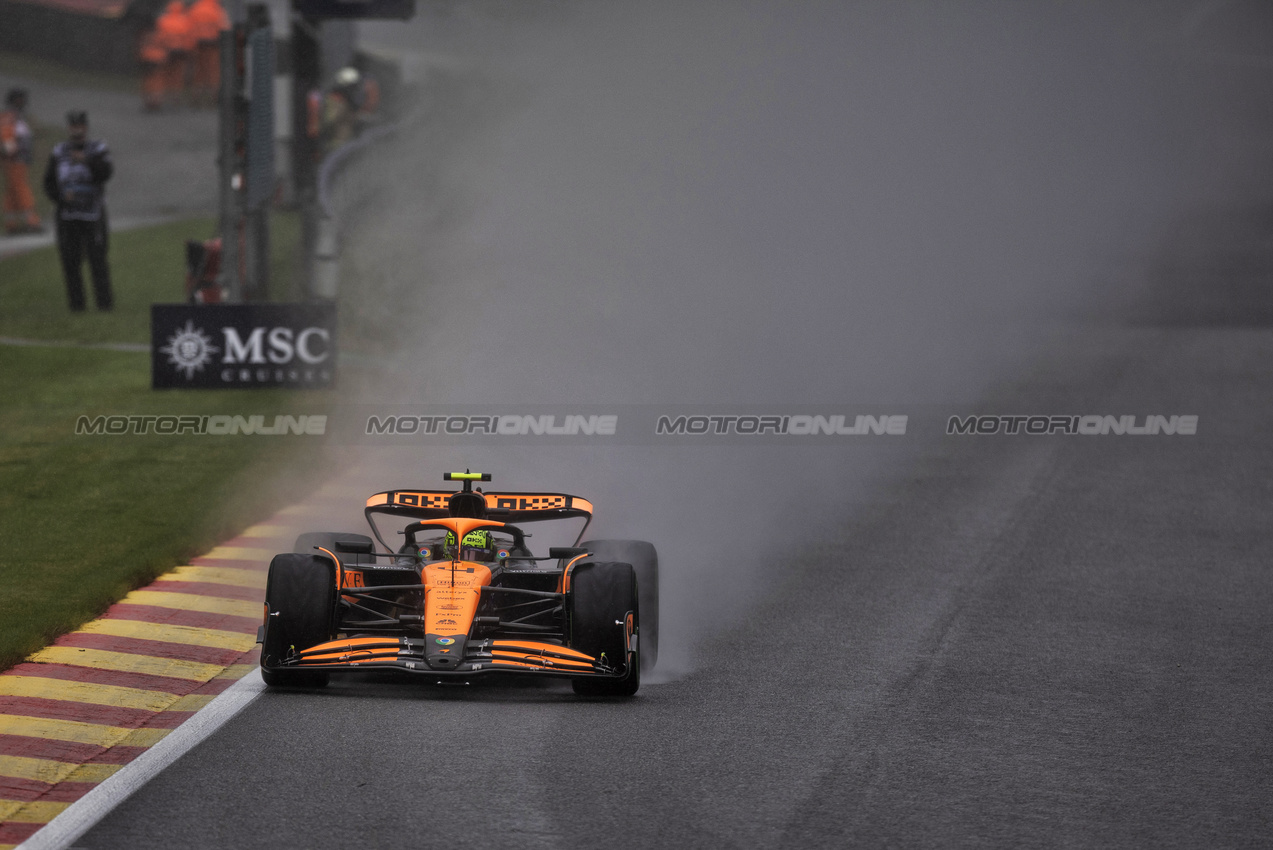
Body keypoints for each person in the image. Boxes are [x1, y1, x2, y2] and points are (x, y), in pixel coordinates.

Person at [43, 112, 113, 312]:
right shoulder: (59, 151)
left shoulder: (98, 149)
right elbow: (48, 182)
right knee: (70, 261)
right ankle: (77, 305)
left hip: (93, 213)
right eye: (73, 127)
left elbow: (106, 173)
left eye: (80, 127)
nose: (77, 131)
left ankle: (104, 304)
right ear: (68, 129)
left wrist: (87, 161)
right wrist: (61, 198)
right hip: (68, 215)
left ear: (86, 128)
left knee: (98, 259)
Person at [1, 89, 41, 234]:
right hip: (15, 160)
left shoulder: (18, 117)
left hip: (18, 159)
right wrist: (11, 152)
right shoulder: (10, 116)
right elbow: (6, 135)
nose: (22, 102)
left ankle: (11, 223)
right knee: (21, 188)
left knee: (12, 191)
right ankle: (32, 221)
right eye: (19, 99)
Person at [187, 0, 228, 107]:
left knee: (199, 72)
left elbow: (188, 29)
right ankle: (213, 98)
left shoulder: (195, 9)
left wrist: (190, 46)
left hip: (198, 45)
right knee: (213, 72)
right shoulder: (217, 10)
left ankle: (196, 98)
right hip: (213, 45)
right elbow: (224, 28)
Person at [155, 0, 195, 108]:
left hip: (166, 51)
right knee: (177, 76)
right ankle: (175, 98)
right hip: (180, 52)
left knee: (165, 74)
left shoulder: (162, 20)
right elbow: (189, 38)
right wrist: (189, 51)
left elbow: (159, 37)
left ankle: (163, 97)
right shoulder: (185, 21)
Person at [138, 23, 169, 111]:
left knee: (147, 80)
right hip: (159, 59)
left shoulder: (144, 34)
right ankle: (156, 101)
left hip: (147, 58)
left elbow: (141, 46)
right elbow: (166, 46)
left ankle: (148, 101)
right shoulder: (162, 35)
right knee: (158, 81)